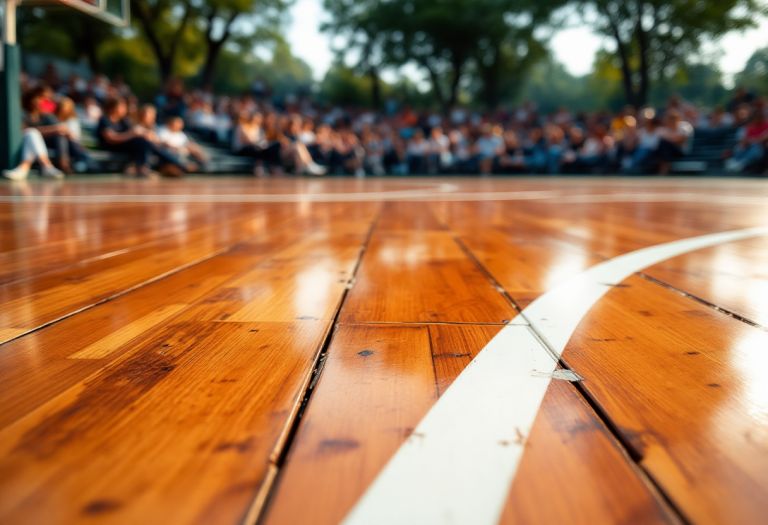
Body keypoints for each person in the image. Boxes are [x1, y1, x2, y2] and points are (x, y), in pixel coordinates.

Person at [97, 97, 189, 177]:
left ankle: (172, 164)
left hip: (124, 146)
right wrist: (132, 134)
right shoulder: (105, 120)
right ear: (113, 107)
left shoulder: (122, 121)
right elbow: (110, 138)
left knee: (146, 141)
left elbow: (133, 132)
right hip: (112, 146)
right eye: (122, 106)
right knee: (143, 142)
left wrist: (144, 134)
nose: (125, 109)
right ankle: (176, 164)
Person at [657, 109, 693, 175]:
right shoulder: (664, 129)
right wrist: (671, 139)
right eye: (669, 119)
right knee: (663, 146)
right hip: (668, 152)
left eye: (673, 119)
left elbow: (680, 140)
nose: (671, 121)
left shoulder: (685, 126)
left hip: (681, 151)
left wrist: (668, 139)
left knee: (664, 144)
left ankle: (664, 170)